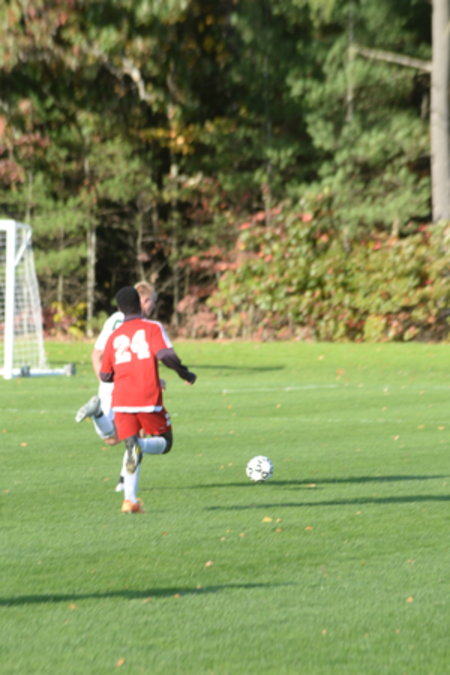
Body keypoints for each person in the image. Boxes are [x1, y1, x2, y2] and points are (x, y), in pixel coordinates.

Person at [99, 285, 196, 513]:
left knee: (130, 446)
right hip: (147, 397)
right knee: (165, 443)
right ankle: (140, 446)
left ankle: (130, 500)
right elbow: (166, 356)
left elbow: (105, 375)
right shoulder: (152, 327)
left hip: (121, 400)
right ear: (139, 303)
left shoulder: (114, 336)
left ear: (120, 309)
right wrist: (185, 373)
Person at [75, 281, 159, 491]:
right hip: (131, 385)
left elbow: (96, 353)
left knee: (112, 438)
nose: (153, 306)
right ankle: (125, 482)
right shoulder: (143, 325)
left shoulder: (113, 319)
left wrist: (104, 381)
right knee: (135, 433)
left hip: (108, 381)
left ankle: (97, 414)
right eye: (152, 301)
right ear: (144, 300)